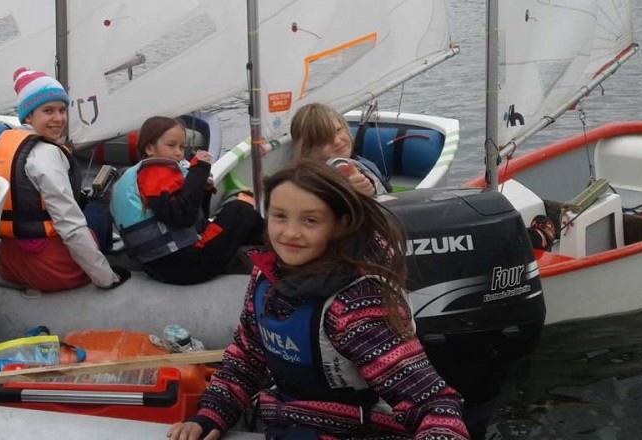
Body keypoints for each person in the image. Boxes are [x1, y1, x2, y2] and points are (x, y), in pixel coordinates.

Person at [168, 161, 469, 440]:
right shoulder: (266, 278)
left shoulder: (356, 306)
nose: (290, 233)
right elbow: (248, 357)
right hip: (288, 422)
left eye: (310, 220)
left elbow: (431, 404)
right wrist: (212, 413)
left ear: (339, 225)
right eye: (279, 216)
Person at [0, 67, 129, 292]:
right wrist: (106, 278)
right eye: (48, 111)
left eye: (62, 110)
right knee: (96, 206)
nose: (58, 118)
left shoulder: (3, 147)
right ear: (29, 115)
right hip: (51, 269)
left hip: (9, 264)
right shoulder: (45, 154)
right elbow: (70, 225)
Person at [110, 116, 264, 285]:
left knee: (235, 212)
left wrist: (200, 189)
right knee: (241, 209)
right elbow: (182, 217)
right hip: (188, 263)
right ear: (149, 148)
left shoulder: (139, 175)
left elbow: (190, 217)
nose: (179, 153)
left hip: (159, 266)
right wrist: (199, 170)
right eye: (171, 145)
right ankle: (272, 249)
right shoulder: (156, 174)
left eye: (182, 147)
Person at [291, 103, 392, 196]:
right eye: (324, 138)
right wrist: (349, 193)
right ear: (307, 149)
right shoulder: (314, 184)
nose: (337, 141)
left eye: (338, 130)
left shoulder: (358, 162)